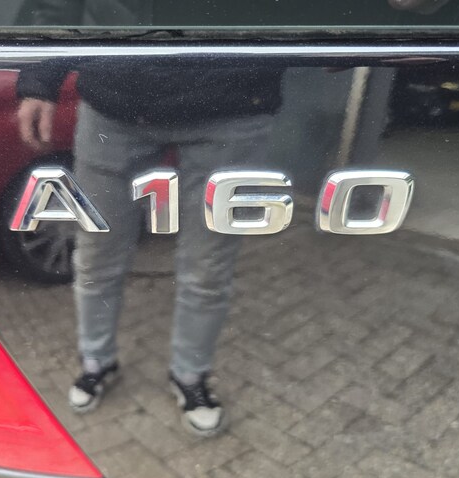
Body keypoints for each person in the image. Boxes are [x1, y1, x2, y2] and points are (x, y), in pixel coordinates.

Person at [16, 2, 285, 436]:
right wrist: (39, 76)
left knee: (208, 265)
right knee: (97, 251)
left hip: (232, 98)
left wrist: (344, 29)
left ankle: (190, 374)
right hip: (118, 96)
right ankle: (96, 360)